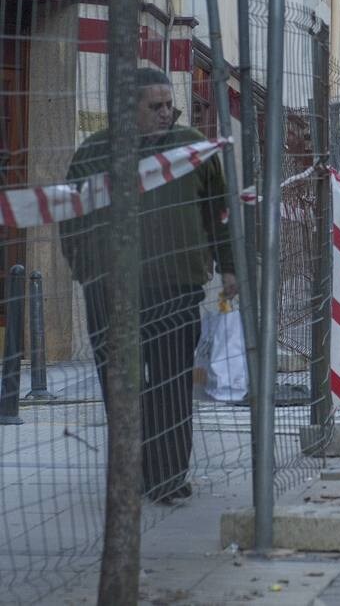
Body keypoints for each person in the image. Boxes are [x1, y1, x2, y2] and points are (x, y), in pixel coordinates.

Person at [61, 67, 237, 504]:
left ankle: (169, 476)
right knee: (121, 386)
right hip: (110, 291)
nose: (165, 114)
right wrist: (88, 272)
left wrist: (230, 267)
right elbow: (71, 219)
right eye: (154, 107)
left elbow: (220, 211)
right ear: (129, 109)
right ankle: (130, 474)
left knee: (172, 383)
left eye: (168, 106)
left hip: (176, 288)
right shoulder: (95, 152)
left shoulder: (191, 148)